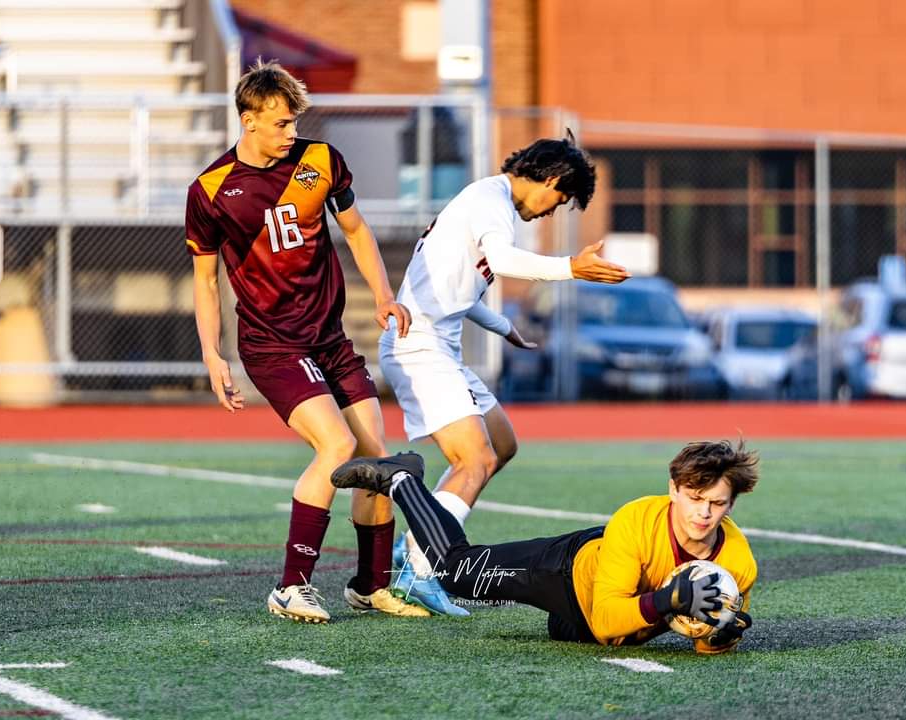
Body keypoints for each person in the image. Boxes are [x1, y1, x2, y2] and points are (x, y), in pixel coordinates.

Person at [185, 58, 426, 623]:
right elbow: (204, 279)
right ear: (248, 120)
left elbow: (358, 230)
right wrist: (211, 353)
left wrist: (385, 296)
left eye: (294, 121)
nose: (292, 133)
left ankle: (370, 586)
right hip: (272, 346)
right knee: (337, 448)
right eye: (280, 124)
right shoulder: (213, 190)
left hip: (330, 338)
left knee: (376, 457)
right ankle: (290, 587)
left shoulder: (321, 161)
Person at [379, 133, 631, 614]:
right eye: (559, 200)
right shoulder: (489, 198)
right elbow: (503, 262)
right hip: (420, 346)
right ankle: (417, 569)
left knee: (502, 445)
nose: (551, 211)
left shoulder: (487, 203)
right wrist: (571, 268)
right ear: (552, 179)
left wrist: (504, 326)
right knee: (474, 461)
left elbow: (458, 288)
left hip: (439, 346)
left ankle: (414, 543)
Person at [331, 440, 758, 652]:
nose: (703, 513)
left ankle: (563, 622)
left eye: (717, 503)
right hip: (566, 573)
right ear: (673, 490)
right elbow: (609, 619)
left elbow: (705, 644)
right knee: (457, 572)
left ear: (732, 503)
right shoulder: (636, 519)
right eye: (694, 498)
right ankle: (403, 479)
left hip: (596, 621)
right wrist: (669, 599)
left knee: (566, 632)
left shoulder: (738, 563)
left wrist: (721, 636)